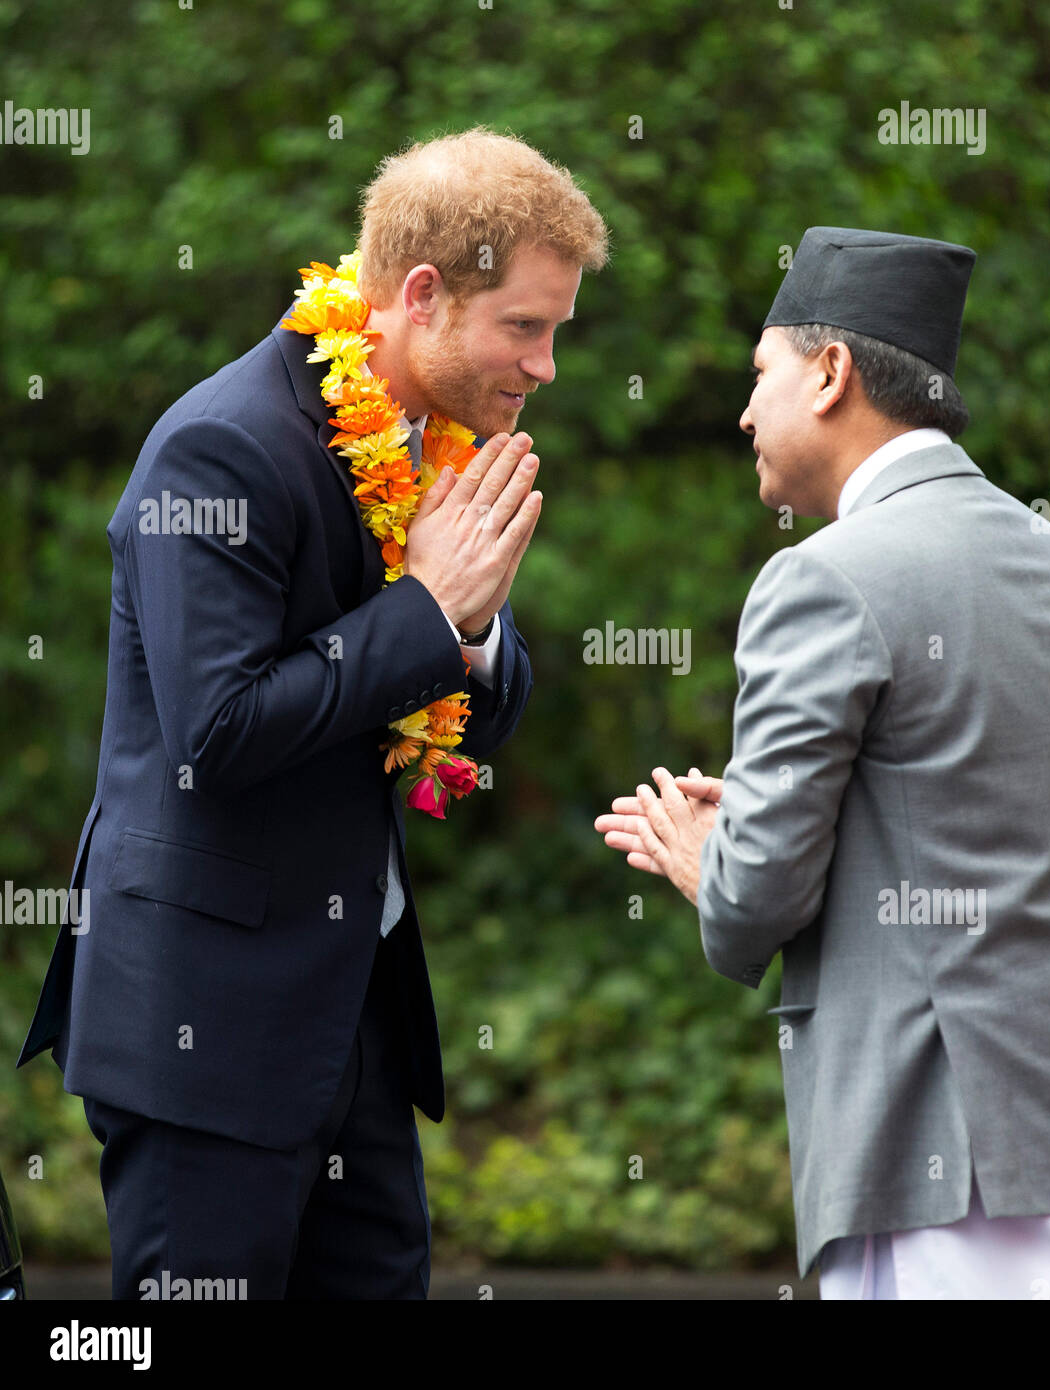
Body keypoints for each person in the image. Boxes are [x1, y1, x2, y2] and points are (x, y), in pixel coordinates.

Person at [596, 226, 1050, 1300]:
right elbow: (980, 812)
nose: (745, 413)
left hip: (965, 1188)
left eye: (760, 377)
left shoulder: (824, 578)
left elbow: (757, 899)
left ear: (832, 373)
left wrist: (709, 855)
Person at [17, 128, 609, 1299]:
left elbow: (463, 724)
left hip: (356, 1025)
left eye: (556, 332)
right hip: (209, 1032)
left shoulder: (428, 444)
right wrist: (433, 605)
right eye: (526, 327)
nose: (544, 365)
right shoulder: (220, 448)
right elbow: (218, 734)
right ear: (425, 295)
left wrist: (473, 631)